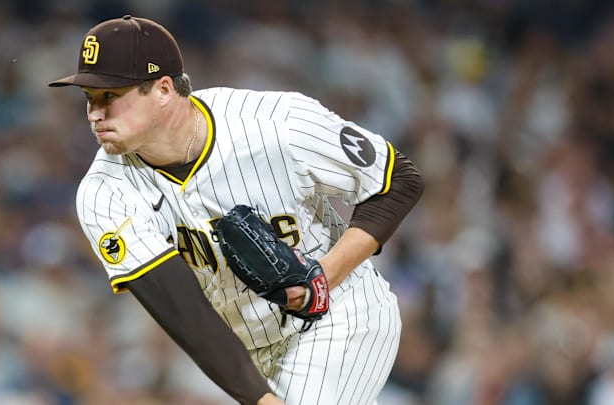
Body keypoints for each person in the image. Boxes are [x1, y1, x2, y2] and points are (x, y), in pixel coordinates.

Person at [49, 15, 424, 405]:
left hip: (342, 314)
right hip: (247, 350)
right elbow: (185, 313)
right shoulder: (104, 194)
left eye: (110, 96)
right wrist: (259, 398)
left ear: (162, 89)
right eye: (88, 98)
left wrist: (327, 275)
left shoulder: (275, 124)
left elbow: (399, 179)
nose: (94, 113)